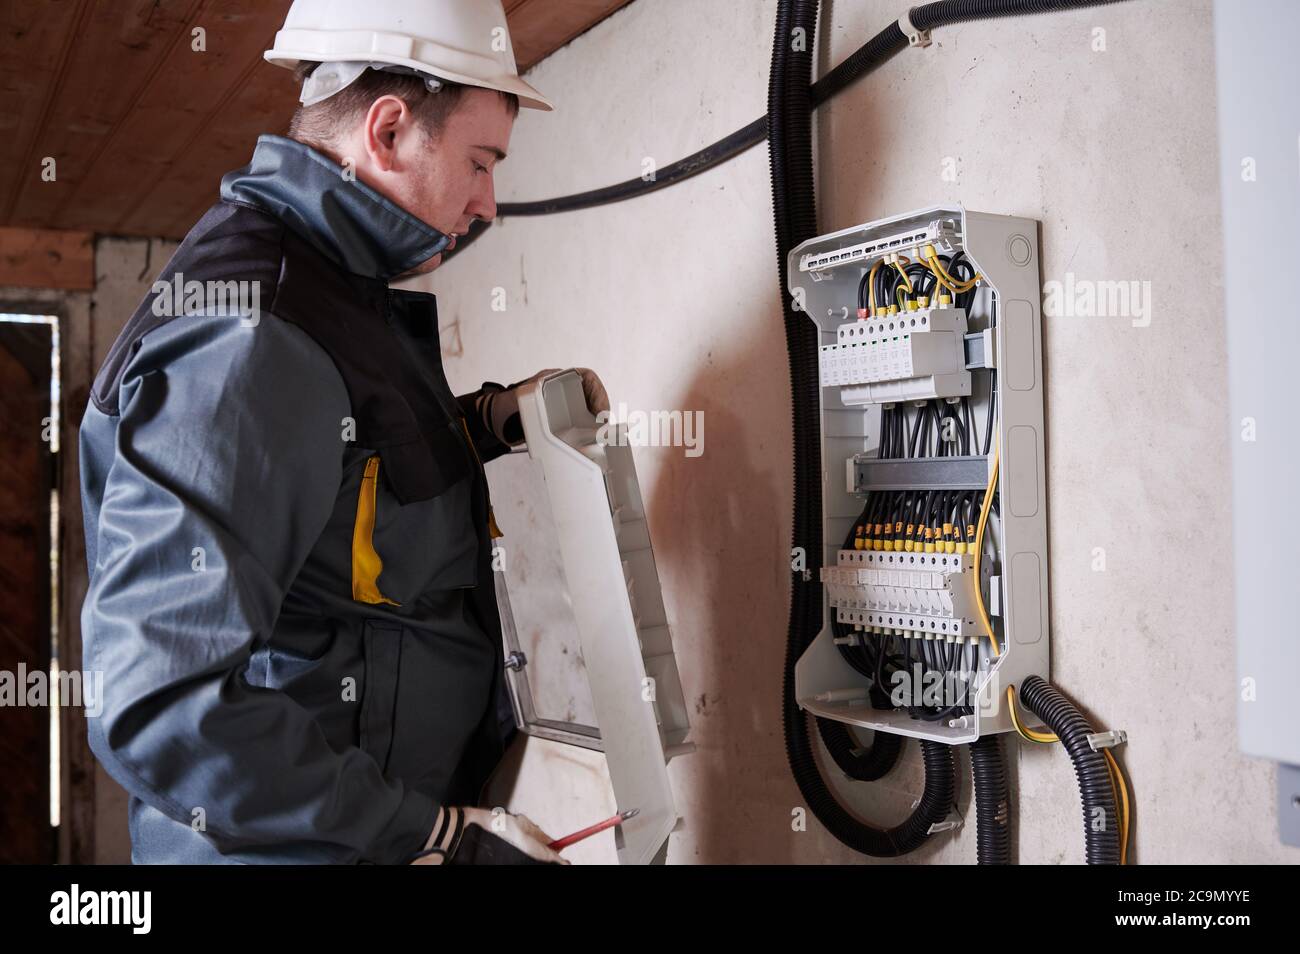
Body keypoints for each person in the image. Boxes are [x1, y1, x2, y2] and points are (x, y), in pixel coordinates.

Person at [78, 0, 607, 864]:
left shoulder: (329, 293)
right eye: (480, 163)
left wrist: (489, 422)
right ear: (391, 131)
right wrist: (432, 836)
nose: (488, 203)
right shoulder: (253, 335)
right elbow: (158, 706)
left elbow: (347, 489)